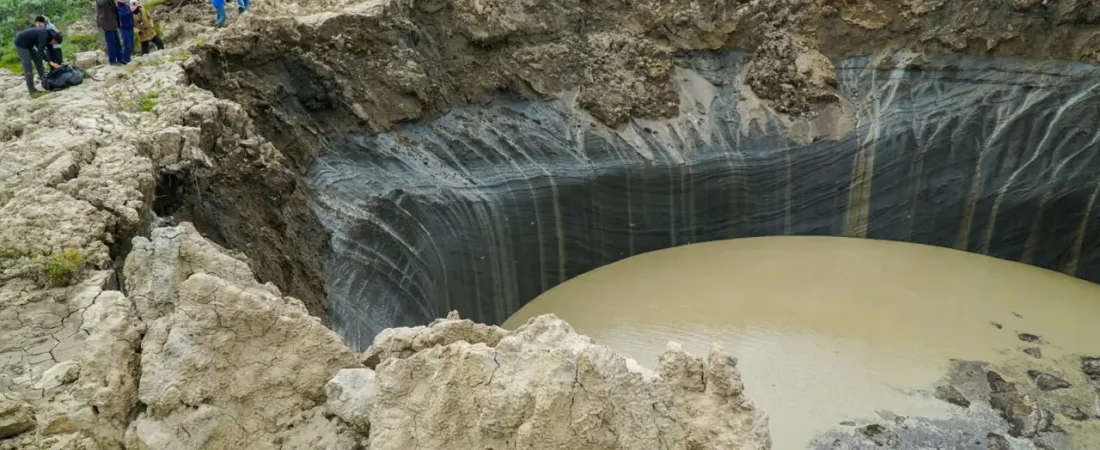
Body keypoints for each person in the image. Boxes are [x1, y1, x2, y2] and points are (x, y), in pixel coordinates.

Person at [12, 27, 62, 94]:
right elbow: (40, 51)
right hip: (20, 44)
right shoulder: (44, 35)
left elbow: (50, 51)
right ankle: (32, 91)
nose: (54, 44)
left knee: (38, 60)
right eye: (55, 43)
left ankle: (44, 81)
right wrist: (50, 62)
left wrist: (56, 63)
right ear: (53, 39)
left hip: (29, 44)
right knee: (28, 65)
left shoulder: (50, 38)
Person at [96, 0, 123, 65]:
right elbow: (102, 3)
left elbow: (114, 10)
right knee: (111, 43)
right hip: (107, 23)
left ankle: (120, 59)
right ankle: (112, 61)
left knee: (117, 43)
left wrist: (118, 22)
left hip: (113, 23)